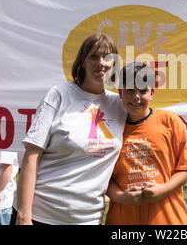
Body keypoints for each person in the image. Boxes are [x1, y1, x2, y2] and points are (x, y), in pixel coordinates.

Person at [14, 34, 128, 225]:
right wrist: (24, 216)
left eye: (107, 57)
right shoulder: (58, 95)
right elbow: (32, 154)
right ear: (82, 62)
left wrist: (181, 134)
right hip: (41, 215)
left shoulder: (119, 104)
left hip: (89, 219)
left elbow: (147, 122)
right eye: (94, 56)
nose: (101, 63)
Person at [105, 62, 187, 225]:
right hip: (123, 218)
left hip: (168, 219)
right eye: (130, 91)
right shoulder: (110, 128)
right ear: (120, 92)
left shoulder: (170, 121)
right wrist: (122, 197)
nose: (136, 97)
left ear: (152, 93)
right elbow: (104, 176)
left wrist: (164, 189)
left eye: (143, 91)